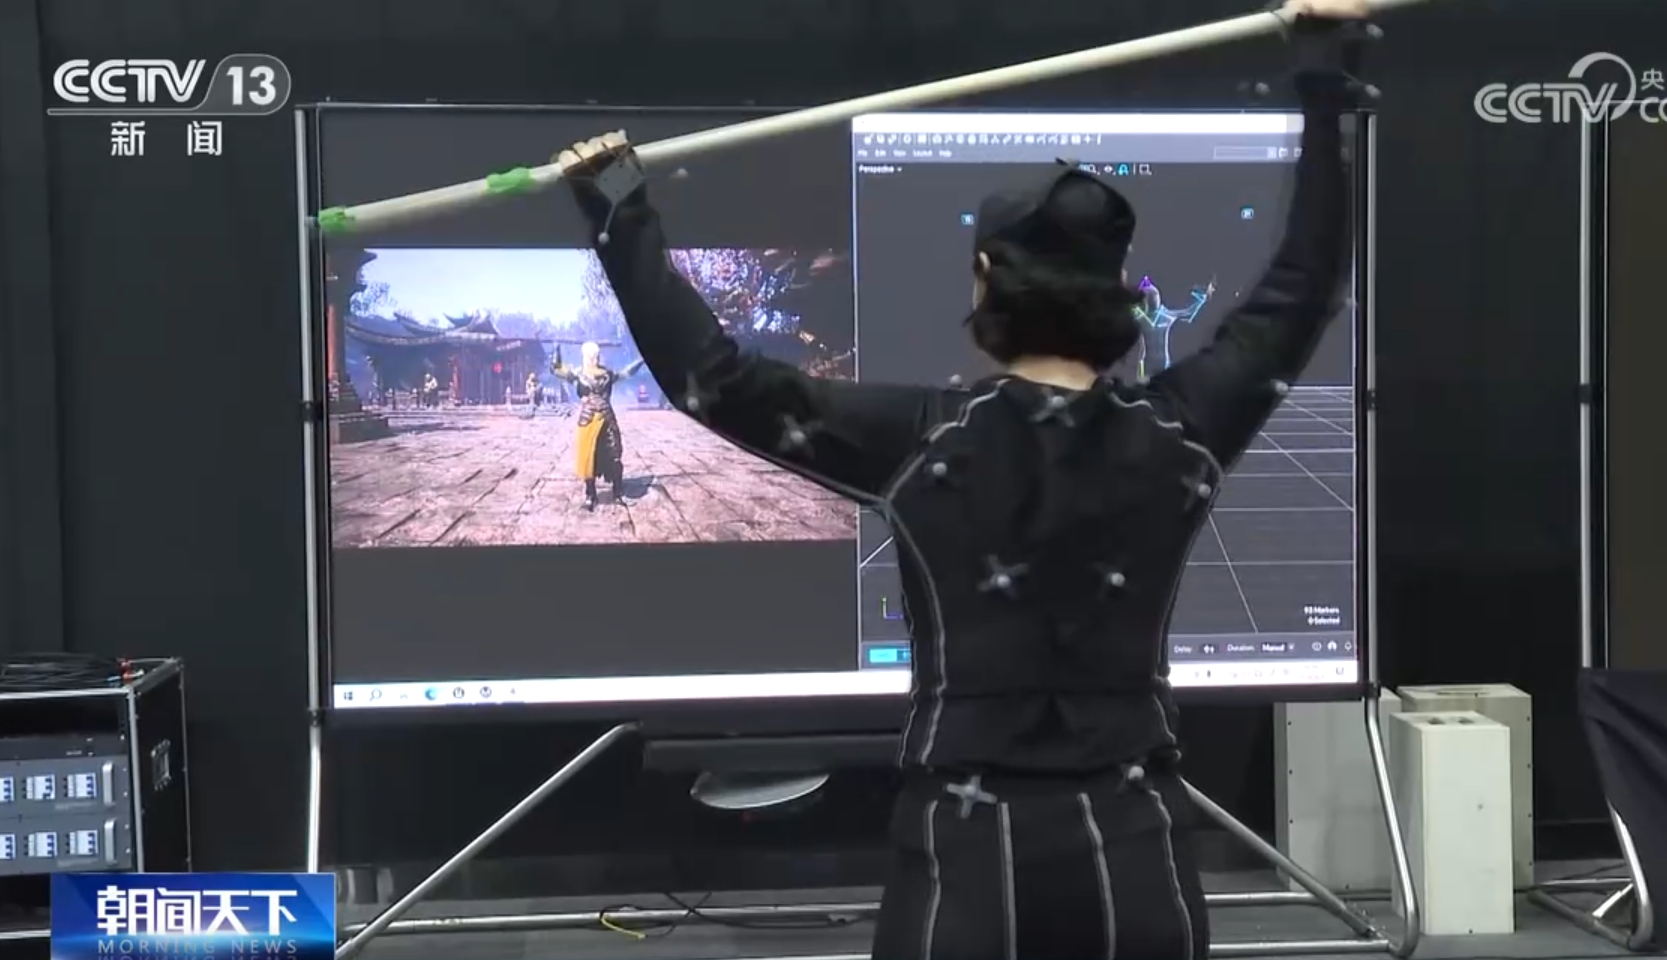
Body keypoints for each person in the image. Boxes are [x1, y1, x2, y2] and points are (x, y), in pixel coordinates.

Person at [558, 0, 1369, 953]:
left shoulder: (922, 441)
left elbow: (711, 378)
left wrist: (619, 205)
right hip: (1136, 850)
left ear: (986, 278)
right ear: (1117, 295)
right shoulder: (1179, 434)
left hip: (967, 860)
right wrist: (1325, 74)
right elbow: (1304, 285)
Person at [547, 343, 645, 509]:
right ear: (585, 356)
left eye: (596, 355)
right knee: (588, 457)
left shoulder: (606, 374)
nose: (594, 358)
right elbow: (555, 369)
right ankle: (590, 495)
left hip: (607, 419)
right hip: (588, 419)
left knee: (614, 455)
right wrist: (556, 349)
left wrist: (641, 360)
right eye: (591, 355)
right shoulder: (578, 374)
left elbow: (626, 373)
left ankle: (618, 494)